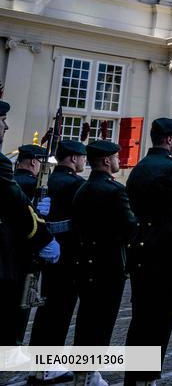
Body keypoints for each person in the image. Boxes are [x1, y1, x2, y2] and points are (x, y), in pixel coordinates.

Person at [124, 115, 172, 386]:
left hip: (141, 250)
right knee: (160, 319)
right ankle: (148, 378)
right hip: (168, 253)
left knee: (141, 317)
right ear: (169, 139)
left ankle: (134, 377)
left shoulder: (140, 167)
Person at [72, 138, 137, 386]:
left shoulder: (83, 189)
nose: (119, 161)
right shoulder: (115, 190)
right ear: (107, 161)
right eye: (116, 157)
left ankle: (81, 373)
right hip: (109, 265)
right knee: (102, 321)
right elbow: (130, 227)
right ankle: (91, 375)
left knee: (86, 319)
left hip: (85, 262)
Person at [0, 97, 60, 349]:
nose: (6, 127)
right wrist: (46, 238)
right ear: (35, 163)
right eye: (2, 121)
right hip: (12, 259)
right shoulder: (13, 176)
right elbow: (21, 214)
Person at [29, 139, 86, 356]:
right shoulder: (76, 184)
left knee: (47, 309)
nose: (83, 161)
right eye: (82, 157)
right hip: (68, 254)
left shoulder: (50, 179)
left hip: (48, 251)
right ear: (73, 158)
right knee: (60, 310)